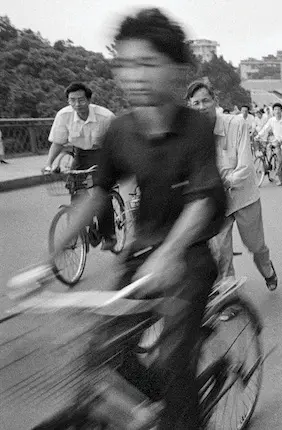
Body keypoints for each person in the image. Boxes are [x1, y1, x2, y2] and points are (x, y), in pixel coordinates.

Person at [46, 9, 228, 429]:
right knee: (106, 352)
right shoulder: (121, 130)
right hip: (141, 257)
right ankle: (160, 406)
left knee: (173, 359)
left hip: (190, 256)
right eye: (124, 63)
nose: (133, 74)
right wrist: (51, 255)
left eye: (147, 63)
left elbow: (202, 199)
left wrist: (170, 253)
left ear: (178, 71)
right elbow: (97, 193)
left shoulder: (196, 128)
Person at [187, 81, 279, 292]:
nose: (201, 107)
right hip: (215, 201)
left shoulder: (236, 124)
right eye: (196, 103)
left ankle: (267, 270)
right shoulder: (191, 134)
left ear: (215, 101)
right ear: (190, 106)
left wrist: (223, 182)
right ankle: (228, 297)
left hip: (243, 196)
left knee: (255, 246)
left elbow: (246, 166)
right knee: (220, 250)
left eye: (205, 101)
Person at [44, 82, 117, 250]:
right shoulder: (64, 115)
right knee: (75, 188)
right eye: (72, 100)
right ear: (68, 101)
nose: (77, 104)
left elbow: (116, 144)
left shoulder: (105, 116)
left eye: (81, 100)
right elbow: (58, 142)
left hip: (103, 153)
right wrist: (49, 165)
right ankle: (79, 228)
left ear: (89, 100)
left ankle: (109, 235)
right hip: (80, 153)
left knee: (101, 191)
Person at [255, 102, 282, 185]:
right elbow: (265, 128)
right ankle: (268, 166)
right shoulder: (272, 120)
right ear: (273, 111)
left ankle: (280, 177)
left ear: (281, 111)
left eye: (278, 109)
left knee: (281, 160)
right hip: (275, 141)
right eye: (275, 109)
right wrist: (258, 136)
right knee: (268, 148)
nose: (277, 111)